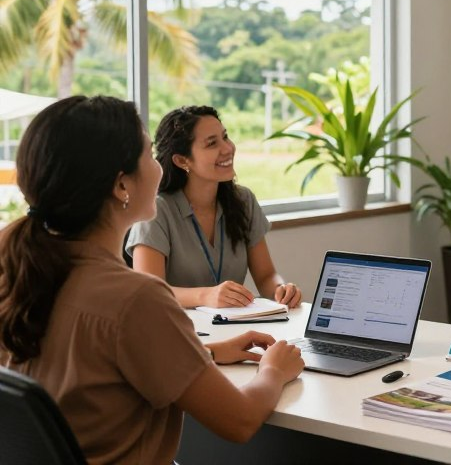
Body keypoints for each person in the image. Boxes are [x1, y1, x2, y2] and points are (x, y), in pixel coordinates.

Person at [0, 96, 305, 464]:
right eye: (148, 155)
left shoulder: (21, 273)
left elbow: (99, 370)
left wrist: (205, 354)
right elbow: (238, 421)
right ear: (121, 186)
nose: (159, 168)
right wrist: (274, 370)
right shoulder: (136, 299)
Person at [128, 105, 302, 309]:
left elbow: (266, 276)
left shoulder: (244, 201)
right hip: (177, 330)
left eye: (225, 137)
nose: (228, 148)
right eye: (212, 143)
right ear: (182, 160)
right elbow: (150, 292)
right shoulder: (156, 210)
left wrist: (281, 289)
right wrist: (205, 296)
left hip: (234, 329)